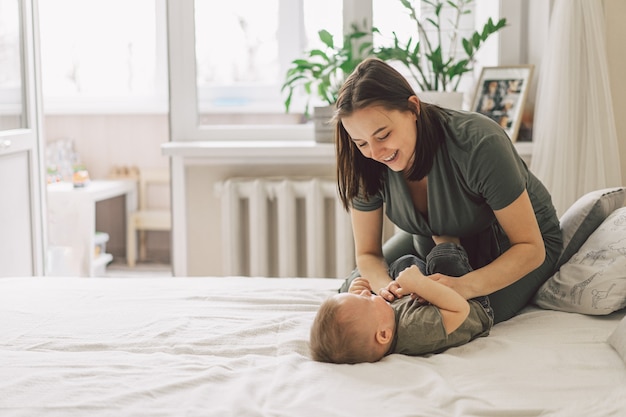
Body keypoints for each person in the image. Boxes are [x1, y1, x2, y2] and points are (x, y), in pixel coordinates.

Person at [334, 58, 562, 324]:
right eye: (361, 142)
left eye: (383, 135)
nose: (374, 153)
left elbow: (530, 248)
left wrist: (463, 286)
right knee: (350, 298)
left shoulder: (479, 144)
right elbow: (368, 254)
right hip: (432, 239)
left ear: (412, 108)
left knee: (447, 319)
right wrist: (387, 290)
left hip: (515, 247)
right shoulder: (364, 160)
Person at [310, 239, 493, 364]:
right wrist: (420, 284)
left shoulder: (383, 321)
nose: (367, 293)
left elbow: (365, 309)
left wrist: (354, 294)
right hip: (470, 304)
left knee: (402, 264)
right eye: (366, 300)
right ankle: (449, 237)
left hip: (426, 303)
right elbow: (460, 309)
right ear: (384, 335)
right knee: (443, 257)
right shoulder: (417, 329)